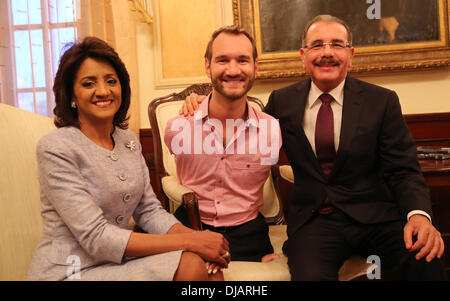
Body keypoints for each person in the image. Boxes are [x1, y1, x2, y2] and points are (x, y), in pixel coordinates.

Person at [182, 15, 446, 280]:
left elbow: (403, 170)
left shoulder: (382, 101)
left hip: (376, 219)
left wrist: (419, 216)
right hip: (315, 223)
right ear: (303, 55)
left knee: (425, 257)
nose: (327, 53)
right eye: (317, 45)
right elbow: (244, 131)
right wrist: (201, 100)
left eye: (337, 45)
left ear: (350, 55)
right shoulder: (282, 101)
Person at [26, 37, 229, 281]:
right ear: (71, 94)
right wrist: (192, 241)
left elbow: (149, 211)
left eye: (111, 81)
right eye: (89, 83)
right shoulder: (56, 148)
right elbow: (96, 237)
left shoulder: (127, 141)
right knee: (192, 266)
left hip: (118, 263)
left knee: (208, 268)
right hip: (71, 270)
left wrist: (200, 243)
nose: (103, 91)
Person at [164, 26, 282, 272]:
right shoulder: (178, 127)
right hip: (192, 229)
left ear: (255, 67)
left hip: (250, 235)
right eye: (222, 60)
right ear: (207, 66)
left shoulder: (271, 129)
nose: (233, 70)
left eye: (242, 60)